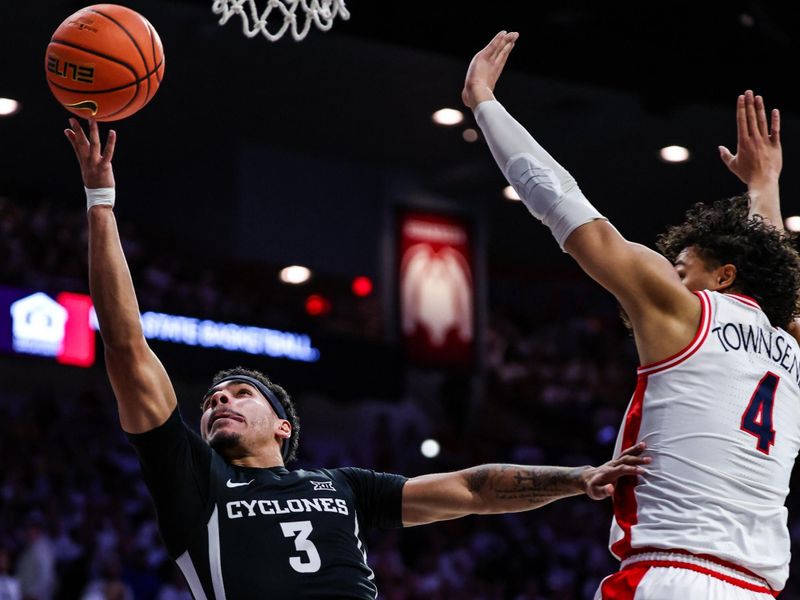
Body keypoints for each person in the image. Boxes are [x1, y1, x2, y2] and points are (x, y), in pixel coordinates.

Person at [63, 117, 649, 599]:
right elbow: (125, 345)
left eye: (243, 393)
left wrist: (580, 478)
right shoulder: (193, 478)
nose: (219, 399)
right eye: (215, 398)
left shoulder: (341, 485)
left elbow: (472, 491)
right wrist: (100, 202)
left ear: (283, 426)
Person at [463, 31, 800, 599]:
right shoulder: (792, 346)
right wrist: (765, 187)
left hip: (671, 575)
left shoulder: (687, 310)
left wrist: (485, 105)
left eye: (683, 265)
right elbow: (775, 280)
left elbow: (564, 206)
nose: (673, 275)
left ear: (722, 277)